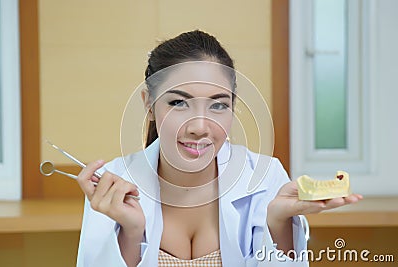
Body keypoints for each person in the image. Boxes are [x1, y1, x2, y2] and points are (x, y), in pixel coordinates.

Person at [75, 30, 362, 267]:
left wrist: (278, 224)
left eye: (218, 105)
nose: (200, 126)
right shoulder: (114, 184)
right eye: (178, 102)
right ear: (149, 104)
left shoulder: (265, 177)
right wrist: (131, 233)